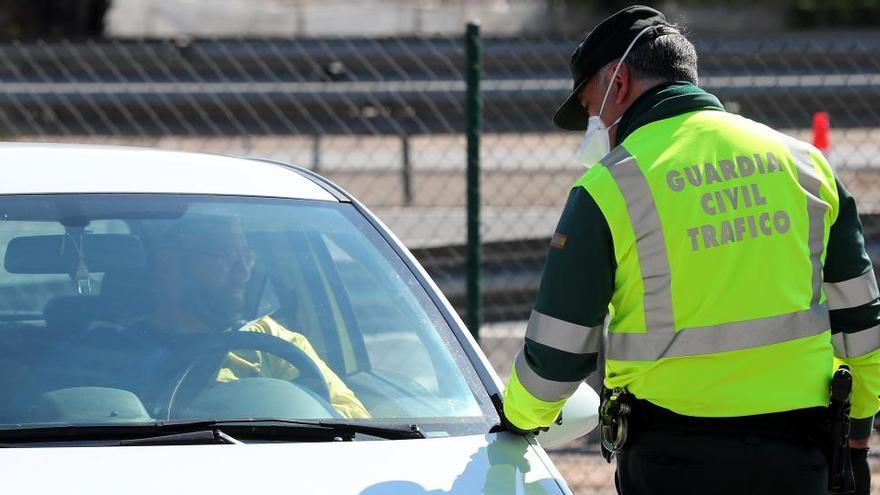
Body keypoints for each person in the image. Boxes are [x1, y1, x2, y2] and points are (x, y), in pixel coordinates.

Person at [501, 5, 880, 495]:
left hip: (671, 462)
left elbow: (557, 354)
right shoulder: (806, 165)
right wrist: (856, 440)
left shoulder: (607, 188)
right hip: (799, 458)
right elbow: (862, 326)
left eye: (592, 109)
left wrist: (517, 418)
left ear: (618, 85)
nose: (595, 124)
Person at [131, 214, 370, 420]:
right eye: (225, 257)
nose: (243, 272)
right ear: (169, 265)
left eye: (246, 257)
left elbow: (351, 419)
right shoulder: (117, 348)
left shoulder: (274, 343)